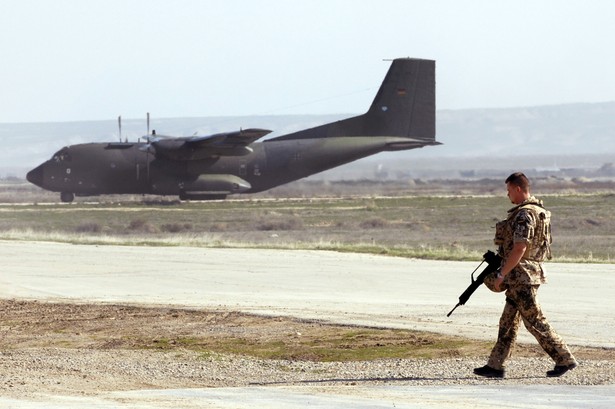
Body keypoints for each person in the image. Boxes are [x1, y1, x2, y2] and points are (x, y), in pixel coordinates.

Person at [474, 172, 578, 378]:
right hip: (521, 275)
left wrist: (502, 273)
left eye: (509, 190)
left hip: (522, 276)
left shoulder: (524, 214)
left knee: (534, 320)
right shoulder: (536, 211)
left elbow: (520, 247)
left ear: (519, 189)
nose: (508, 195)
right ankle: (495, 366)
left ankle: (564, 358)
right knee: (508, 323)